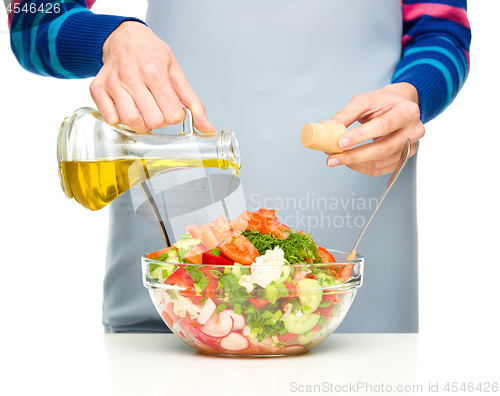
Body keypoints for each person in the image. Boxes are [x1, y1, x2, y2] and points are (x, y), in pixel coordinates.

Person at [8, 0, 471, 333]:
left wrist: (411, 94)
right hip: (172, 228)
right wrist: (111, 37)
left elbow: (443, 31)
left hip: (359, 222)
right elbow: (33, 17)